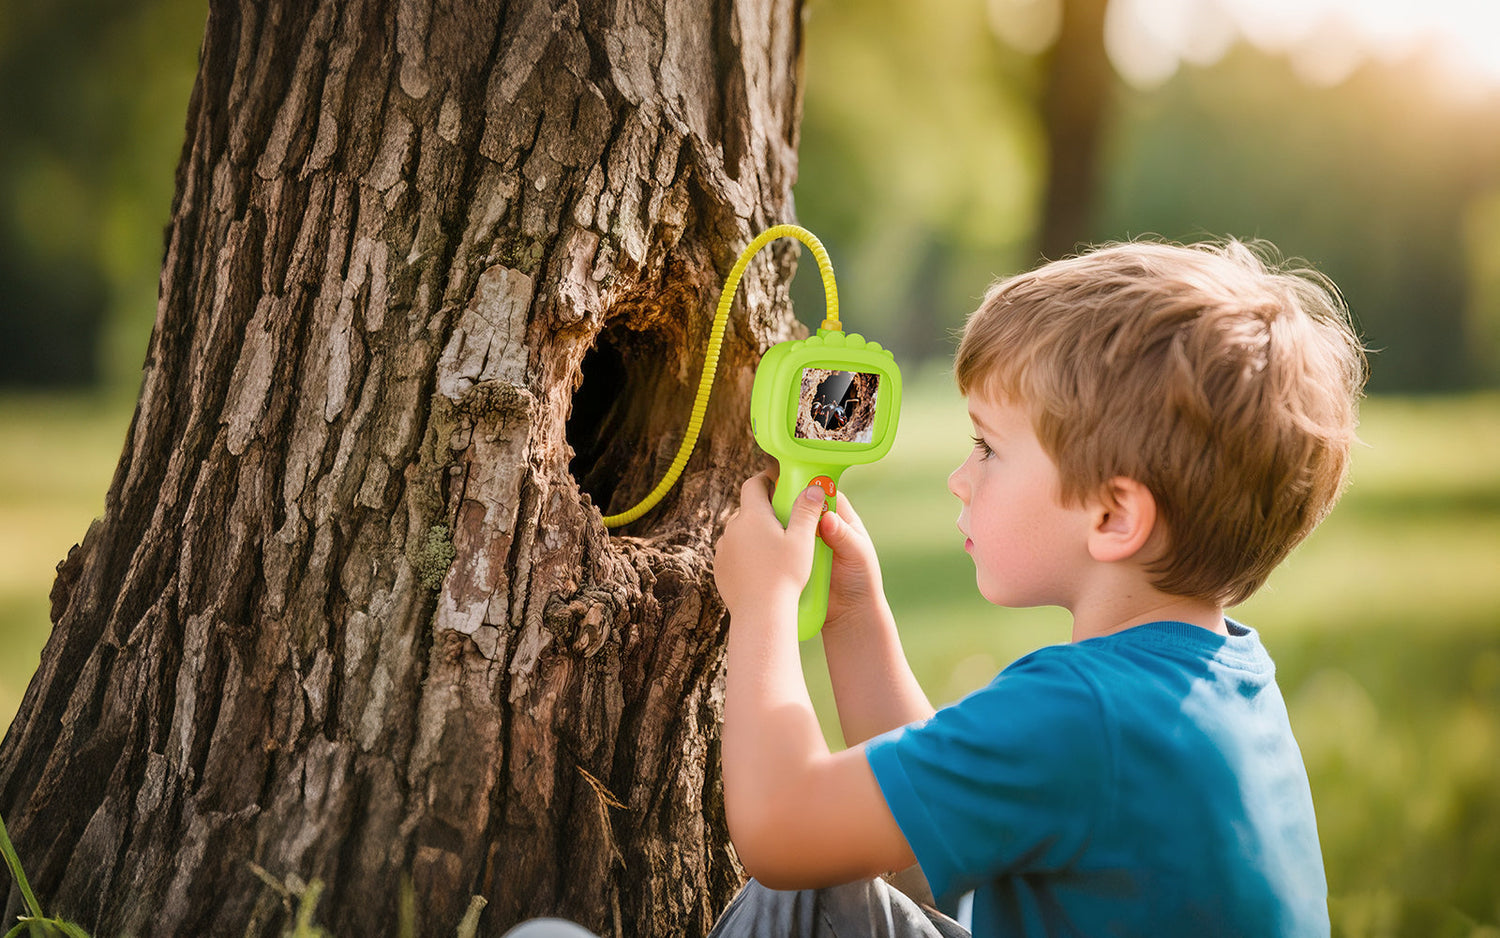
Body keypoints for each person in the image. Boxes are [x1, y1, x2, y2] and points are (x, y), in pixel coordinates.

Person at [707, 239, 1365, 937]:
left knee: (804, 897)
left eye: (988, 448)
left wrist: (764, 603)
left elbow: (782, 828)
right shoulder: (1220, 686)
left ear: (1114, 516)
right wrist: (853, 613)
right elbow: (929, 815)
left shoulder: (1084, 712)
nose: (960, 479)